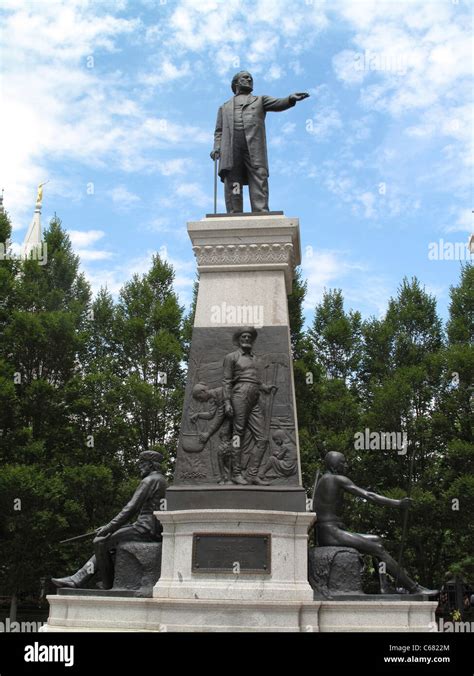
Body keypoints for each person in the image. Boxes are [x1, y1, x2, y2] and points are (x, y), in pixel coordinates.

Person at [313, 451, 437, 595]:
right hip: (331, 532)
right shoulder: (337, 479)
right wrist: (398, 503)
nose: (346, 465)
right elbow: (369, 495)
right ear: (334, 465)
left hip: (328, 531)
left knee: (377, 539)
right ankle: (414, 588)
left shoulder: (323, 480)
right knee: (378, 549)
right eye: (343, 462)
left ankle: (384, 585)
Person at [51, 450, 167, 590]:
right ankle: (79, 578)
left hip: (144, 529)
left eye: (142, 464)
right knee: (108, 543)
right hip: (151, 529)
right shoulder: (163, 481)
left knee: (101, 541)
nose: (139, 467)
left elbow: (130, 509)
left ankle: (105, 583)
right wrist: (111, 528)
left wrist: (108, 527)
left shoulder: (149, 481)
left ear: (150, 465)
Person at [211, 71, 309, 213]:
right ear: (236, 83)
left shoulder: (260, 100)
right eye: (245, 77)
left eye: (250, 78)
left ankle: (261, 210)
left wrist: (290, 99)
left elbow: (278, 103)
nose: (249, 79)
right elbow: (219, 131)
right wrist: (217, 147)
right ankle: (234, 212)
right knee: (233, 179)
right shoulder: (224, 107)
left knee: (258, 176)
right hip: (231, 147)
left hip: (253, 145)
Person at [222, 327, 277, 485]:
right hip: (240, 394)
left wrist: (265, 387)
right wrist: (227, 401)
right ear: (239, 340)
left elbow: (255, 379)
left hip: (255, 396)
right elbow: (226, 381)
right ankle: (236, 473)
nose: (246, 339)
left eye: (249, 337)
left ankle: (252, 474)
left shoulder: (255, 359)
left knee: (262, 438)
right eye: (243, 337)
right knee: (238, 434)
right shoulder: (231, 357)